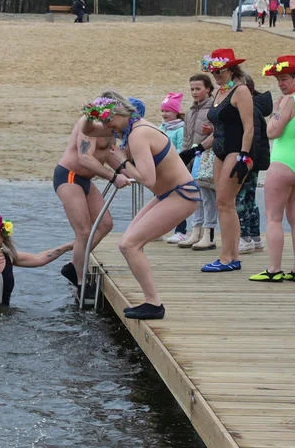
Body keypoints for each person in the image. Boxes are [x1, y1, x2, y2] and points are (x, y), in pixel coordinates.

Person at [90, 91, 201, 319]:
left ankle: (154, 304)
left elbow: (146, 179)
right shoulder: (133, 130)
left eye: (108, 120)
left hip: (181, 194)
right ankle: (151, 301)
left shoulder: (139, 134)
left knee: (130, 244)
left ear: (120, 113)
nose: (106, 126)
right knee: (126, 244)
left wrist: (121, 160)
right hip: (169, 194)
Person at [250, 55, 295, 282]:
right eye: (278, 79)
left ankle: (273, 269)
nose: (280, 83)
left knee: (274, 217)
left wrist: (275, 112)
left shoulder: (289, 101)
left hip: (284, 161)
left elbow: (272, 132)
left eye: (285, 78)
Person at [54, 99, 132, 289]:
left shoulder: (111, 131)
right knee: (83, 231)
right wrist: (113, 178)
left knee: (105, 225)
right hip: (69, 176)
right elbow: (85, 158)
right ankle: (81, 280)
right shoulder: (89, 125)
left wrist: (134, 174)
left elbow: (110, 158)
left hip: (85, 180)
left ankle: (74, 265)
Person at [196, 48, 256, 273]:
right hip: (219, 150)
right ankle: (232, 256)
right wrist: (197, 149)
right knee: (225, 204)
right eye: (212, 71)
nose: (216, 74)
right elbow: (219, 129)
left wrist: (244, 155)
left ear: (231, 69)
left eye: (219, 70)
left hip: (235, 151)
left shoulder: (241, 91)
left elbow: (249, 127)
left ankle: (226, 257)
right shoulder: (220, 91)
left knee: (224, 201)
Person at [0, 212, 73, 307]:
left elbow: (39, 259)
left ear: (2, 238)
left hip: (4, 315)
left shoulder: (9, 256)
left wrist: (68, 247)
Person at [178, 74, 219, 250]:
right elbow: (187, 138)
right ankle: (196, 231)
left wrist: (213, 129)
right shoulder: (190, 111)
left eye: (198, 88)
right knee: (196, 197)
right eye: (192, 89)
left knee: (208, 197)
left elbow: (221, 131)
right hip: (193, 159)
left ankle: (208, 233)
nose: (194, 92)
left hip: (208, 158)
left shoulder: (214, 109)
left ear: (208, 89)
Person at [236, 75, 272, 254]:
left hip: (249, 160)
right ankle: (255, 237)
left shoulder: (250, 110)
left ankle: (245, 237)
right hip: (255, 160)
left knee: (241, 198)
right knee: (250, 199)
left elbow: (253, 137)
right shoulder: (256, 108)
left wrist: (246, 159)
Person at [158, 92, 187, 243]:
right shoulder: (161, 128)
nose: (164, 114)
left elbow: (182, 148)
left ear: (176, 112)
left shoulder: (180, 129)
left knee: (178, 200)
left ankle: (181, 230)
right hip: (161, 170)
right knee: (162, 200)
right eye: (163, 110)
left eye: (168, 111)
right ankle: (159, 230)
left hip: (176, 169)